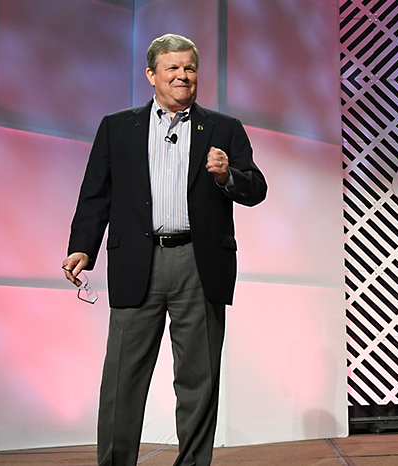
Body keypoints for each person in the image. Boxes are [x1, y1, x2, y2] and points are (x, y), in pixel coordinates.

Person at [61, 34, 267, 466]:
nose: (182, 76)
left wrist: (228, 175)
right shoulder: (118, 127)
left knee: (199, 380)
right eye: (172, 68)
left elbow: (256, 188)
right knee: (121, 380)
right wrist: (82, 248)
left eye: (190, 68)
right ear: (152, 75)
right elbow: (95, 194)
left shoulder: (223, 128)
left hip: (199, 263)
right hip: (139, 261)